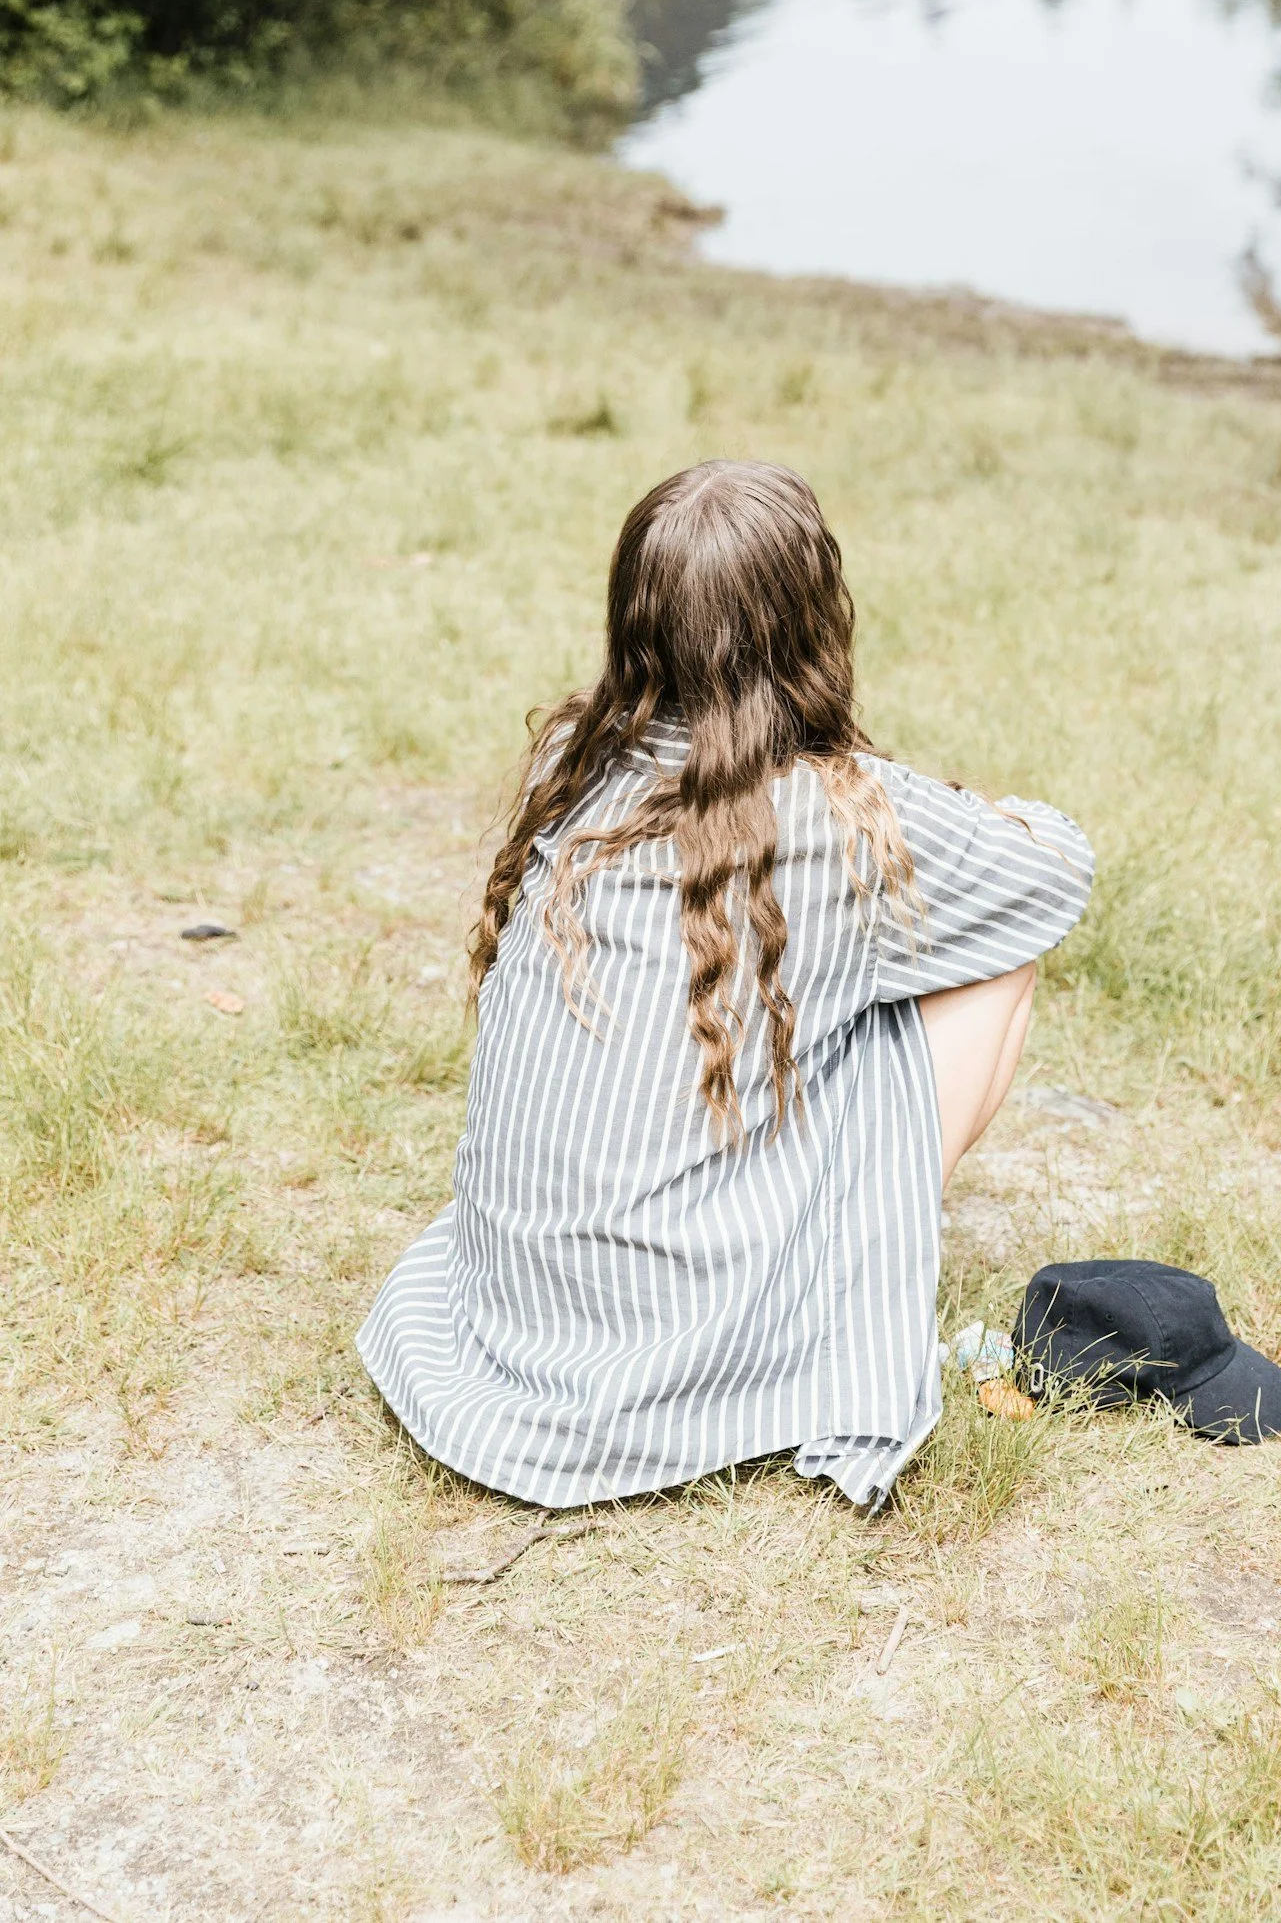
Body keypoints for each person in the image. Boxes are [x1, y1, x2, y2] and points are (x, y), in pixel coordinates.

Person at [358, 460, 1094, 1511]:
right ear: (809, 623)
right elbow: (1053, 869)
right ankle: (851, 1279)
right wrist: (968, 805)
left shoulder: (570, 754)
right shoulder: (838, 814)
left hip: (500, 1327)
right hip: (657, 1358)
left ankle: (821, 1249)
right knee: (990, 956)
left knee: (871, 973)